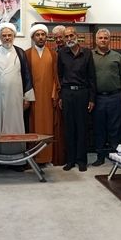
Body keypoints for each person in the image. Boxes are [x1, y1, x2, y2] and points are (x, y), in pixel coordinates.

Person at [0, 23, 34, 166]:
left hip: (16, 96)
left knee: (15, 124)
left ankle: (17, 161)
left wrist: (28, 97)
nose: (7, 38)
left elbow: (26, 75)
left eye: (9, 35)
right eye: (4, 35)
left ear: (14, 36)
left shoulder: (20, 52)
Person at [58, 26, 96, 172]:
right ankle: (70, 160)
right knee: (69, 128)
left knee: (82, 128)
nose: (69, 39)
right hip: (67, 93)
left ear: (76, 36)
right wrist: (61, 96)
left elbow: (92, 77)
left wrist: (91, 98)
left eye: (71, 35)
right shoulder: (62, 53)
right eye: (66, 36)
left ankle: (81, 160)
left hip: (82, 93)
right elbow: (59, 75)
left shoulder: (87, 53)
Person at [25, 24, 59, 165]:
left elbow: (56, 76)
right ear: (33, 37)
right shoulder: (26, 54)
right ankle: (35, 157)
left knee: (48, 126)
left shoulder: (53, 54)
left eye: (43, 34)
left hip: (48, 97)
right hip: (33, 98)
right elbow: (24, 77)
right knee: (33, 126)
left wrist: (54, 94)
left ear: (46, 37)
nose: (40, 37)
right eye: (37, 35)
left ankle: (47, 157)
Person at [91, 29, 121, 166]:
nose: (103, 40)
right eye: (100, 38)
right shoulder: (90, 56)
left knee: (114, 128)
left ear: (109, 40)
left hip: (115, 97)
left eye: (105, 38)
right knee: (99, 128)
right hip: (98, 98)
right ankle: (100, 156)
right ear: (96, 40)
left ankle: (114, 156)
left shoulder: (117, 56)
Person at [50, 24, 67, 165]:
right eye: (56, 38)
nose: (58, 40)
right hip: (57, 93)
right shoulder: (53, 52)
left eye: (60, 37)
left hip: (70, 93)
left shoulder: (73, 51)